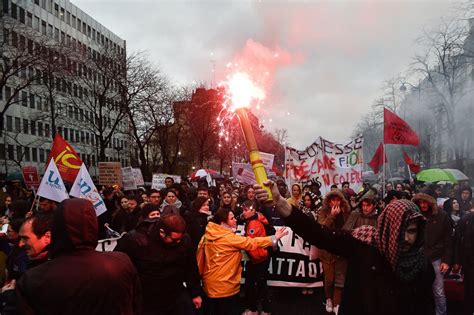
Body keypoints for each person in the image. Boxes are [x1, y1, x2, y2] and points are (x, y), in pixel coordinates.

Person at [254, 180, 435, 315]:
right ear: (388, 227)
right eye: (400, 230)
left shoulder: (422, 266)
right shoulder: (362, 244)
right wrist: (280, 202)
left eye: (412, 231)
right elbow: (317, 233)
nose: (406, 238)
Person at [16, 198, 142, 315]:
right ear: (93, 224)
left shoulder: (34, 278)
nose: (21, 244)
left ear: (57, 228)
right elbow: (135, 305)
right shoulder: (120, 263)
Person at [197, 208, 287, 315]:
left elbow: (199, 260)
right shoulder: (229, 238)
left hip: (209, 284)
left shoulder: (206, 236)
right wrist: (274, 238)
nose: (235, 220)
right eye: (232, 218)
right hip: (225, 286)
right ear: (222, 222)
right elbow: (252, 242)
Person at [115, 213, 202, 315]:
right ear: (162, 232)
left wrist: (195, 294)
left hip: (175, 293)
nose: (178, 242)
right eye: (174, 239)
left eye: (180, 239)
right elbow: (118, 265)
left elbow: (191, 268)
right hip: (147, 297)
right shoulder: (136, 240)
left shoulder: (185, 240)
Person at [412, 193, 452, 315]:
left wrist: (446, 260)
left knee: (438, 291)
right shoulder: (415, 215)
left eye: (425, 202)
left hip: (436, 258)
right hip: (418, 258)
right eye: (420, 202)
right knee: (419, 290)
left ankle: (441, 313)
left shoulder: (442, 216)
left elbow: (448, 240)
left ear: (431, 202)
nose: (423, 205)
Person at [317, 189, 350, 313]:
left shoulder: (346, 211)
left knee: (339, 279)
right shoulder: (323, 211)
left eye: (338, 200)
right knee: (329, 279)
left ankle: (337, 302)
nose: (335, 202)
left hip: (341, 250)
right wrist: (332, 216)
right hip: (327, 251)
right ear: (329, 202)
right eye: (333, 200)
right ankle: (329, 298)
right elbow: (322, 229)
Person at [240, 200, 275, 315]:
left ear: (253, 210)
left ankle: (253, 310)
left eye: (246, 210)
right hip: (261, 257)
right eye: (243, 210)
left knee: (254, 285)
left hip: (257, 258)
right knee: (261, 284)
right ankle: (264, 310)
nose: (243, 212)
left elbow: (251, 244)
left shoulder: (253, 223)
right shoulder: (258, 218)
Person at [453, 207, 474, 315]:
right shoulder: (466, 219)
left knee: (469, 288)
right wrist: (457, 260)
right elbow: (457, 240)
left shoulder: (465, 218)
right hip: (469, 260)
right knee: (469, 288)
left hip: (468, 259)